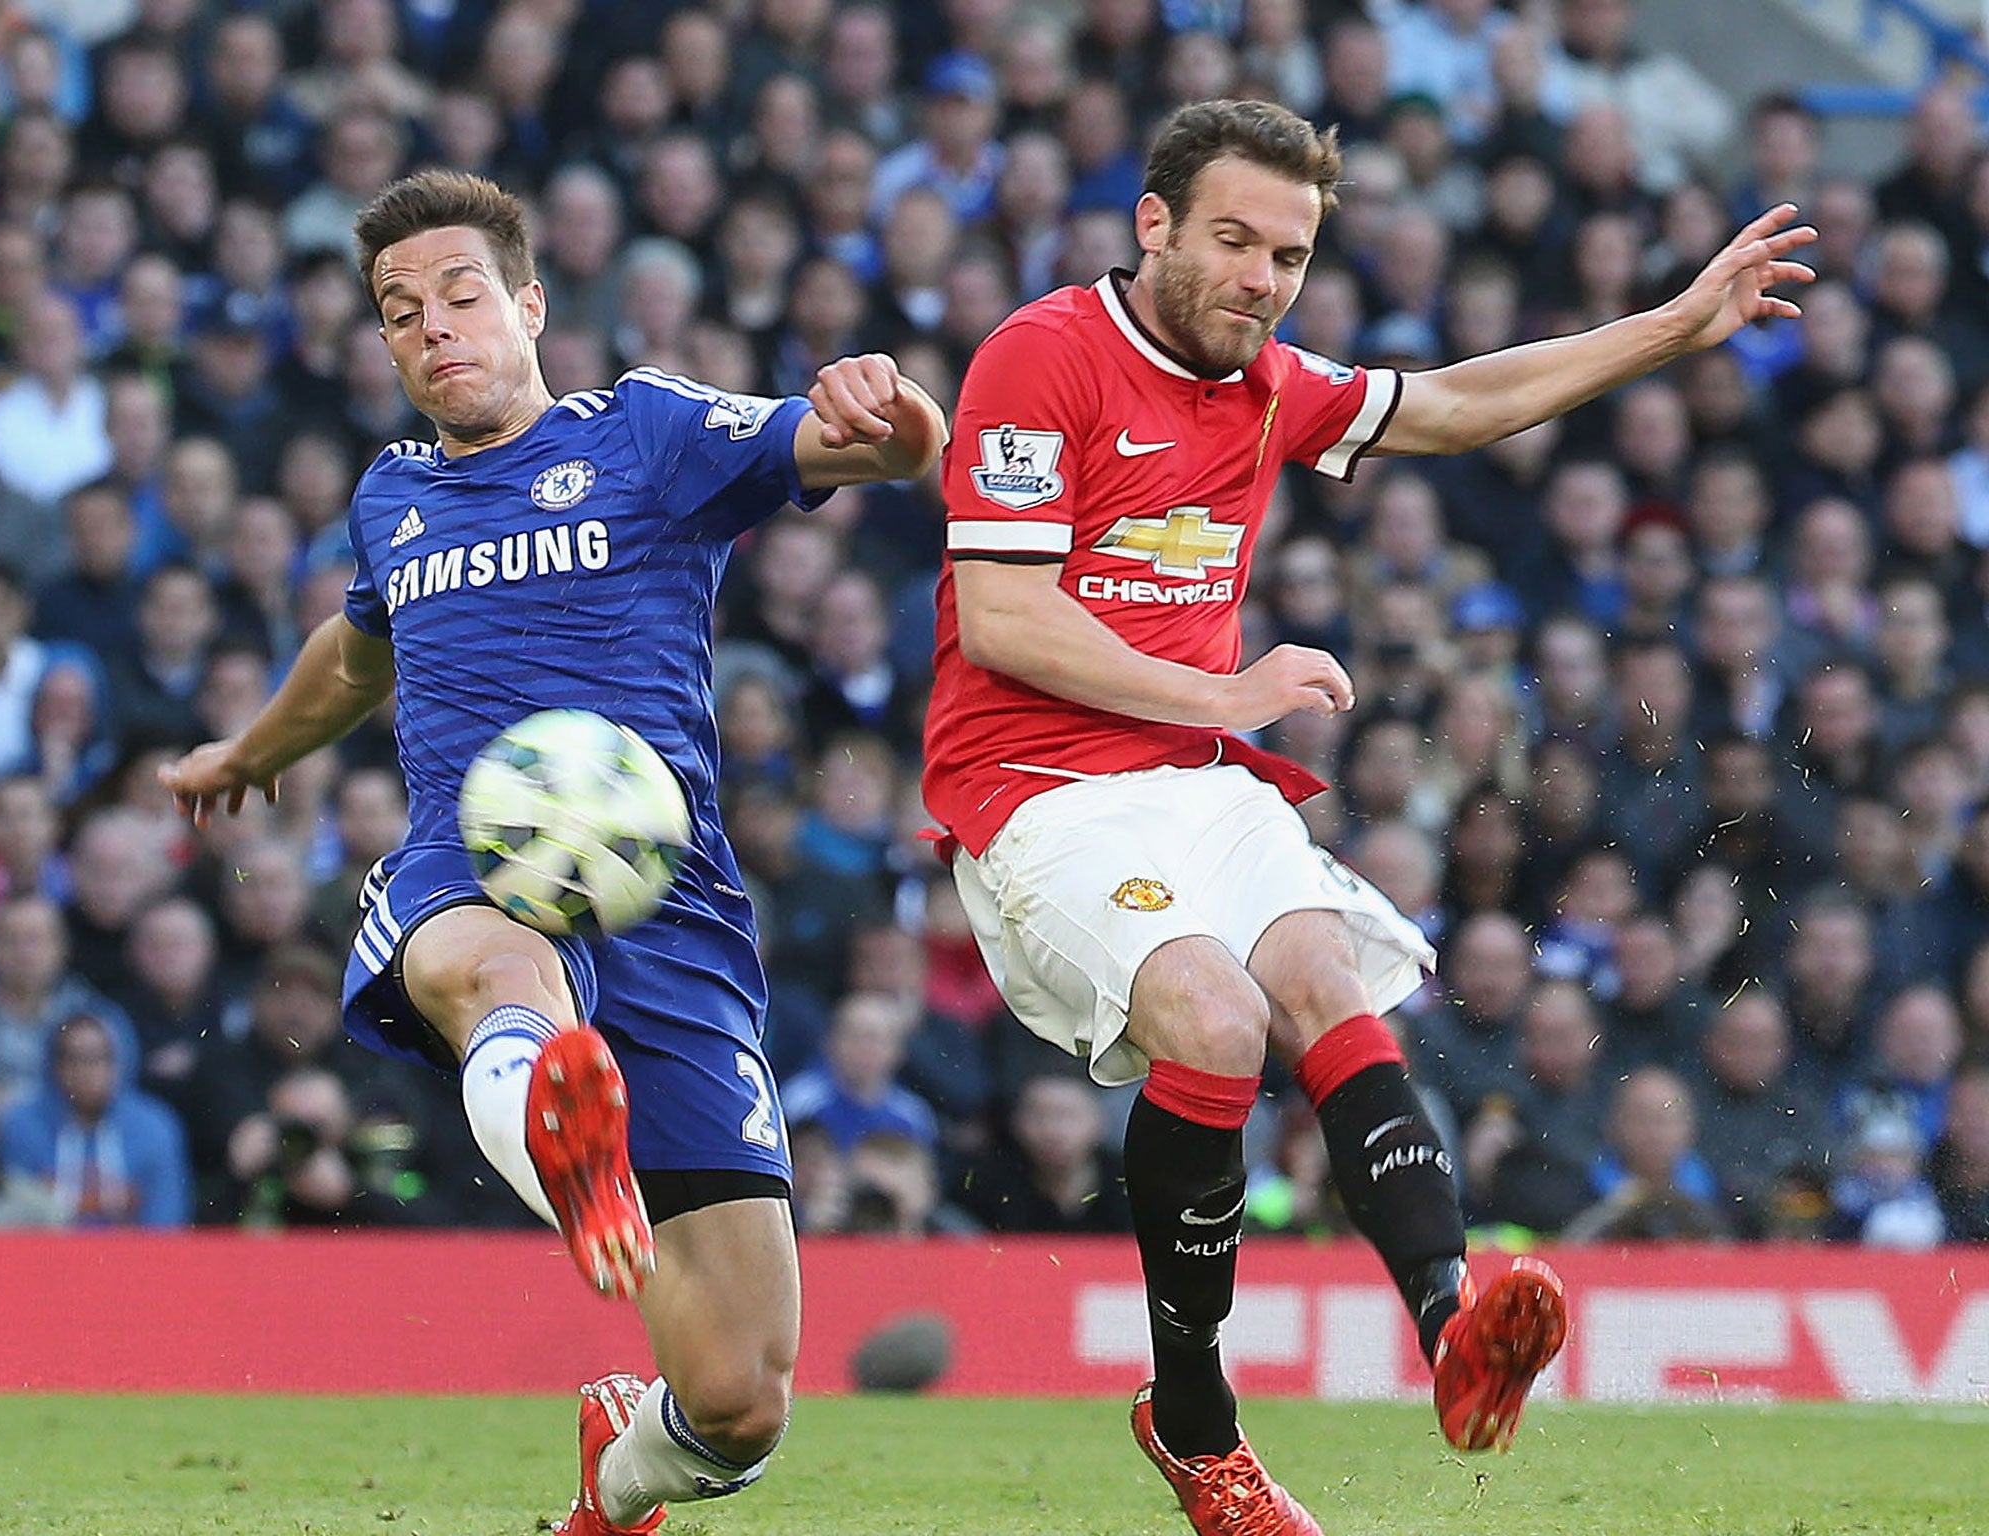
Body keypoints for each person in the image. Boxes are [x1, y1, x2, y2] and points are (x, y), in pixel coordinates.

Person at [923, 98, 1812, 1536]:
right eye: (1232, 240)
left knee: (1326, 984)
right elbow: (1010, 620)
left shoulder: (1267, 381)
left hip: (1196, 780)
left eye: (1288, 252)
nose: (1262, 277)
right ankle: (1196, 1424)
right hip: (1043, 794)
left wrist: (1664, 327)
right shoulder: (1042, 356)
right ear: (1152, 225)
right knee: (1214, 1024)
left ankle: (1455, 1328)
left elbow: (1450, 403)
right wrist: (1225, 693)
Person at [159, 170, 946, 1536]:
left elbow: (864, 454)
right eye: (399, 315)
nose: (432, 330)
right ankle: (570, 1150)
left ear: (528, 304)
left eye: (460, 296)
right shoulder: (392, 499)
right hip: (467, 864)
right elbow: (355, 660)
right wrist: (247, 757)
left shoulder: (647, 432)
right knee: (489, 965)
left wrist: (902, 421)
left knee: (742, 1402)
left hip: (670, 912)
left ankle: (615, 1479)